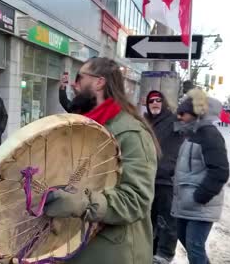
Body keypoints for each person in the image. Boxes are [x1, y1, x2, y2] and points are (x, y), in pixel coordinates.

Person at [42, 57, 159, 264]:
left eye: (79, 77)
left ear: (99, 82)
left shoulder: (131, 133)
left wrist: (82, 202)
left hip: (115, 253)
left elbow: (136, 200)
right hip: (79, 248)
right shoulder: (84, 126)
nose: (74, 85)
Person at [173, 89, 229, 264]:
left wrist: (200, 197)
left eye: (183, 113)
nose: (180, 117)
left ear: (196, 113)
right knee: (189, 245)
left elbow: (220, 171)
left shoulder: (210, 135)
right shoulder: (191, 133)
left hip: (200, 205)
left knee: (195, 248)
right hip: (185, 204)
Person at [144, 91, 184, 264]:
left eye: (158, 100)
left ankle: (165, 253)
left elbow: (187, 127)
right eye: (151, 101)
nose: (155, 103)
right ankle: (151, 250)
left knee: (167, 219)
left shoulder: (172, 120)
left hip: (166, 179)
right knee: (149, 218)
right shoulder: (146, 122)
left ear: (164, 103)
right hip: (148, 178)